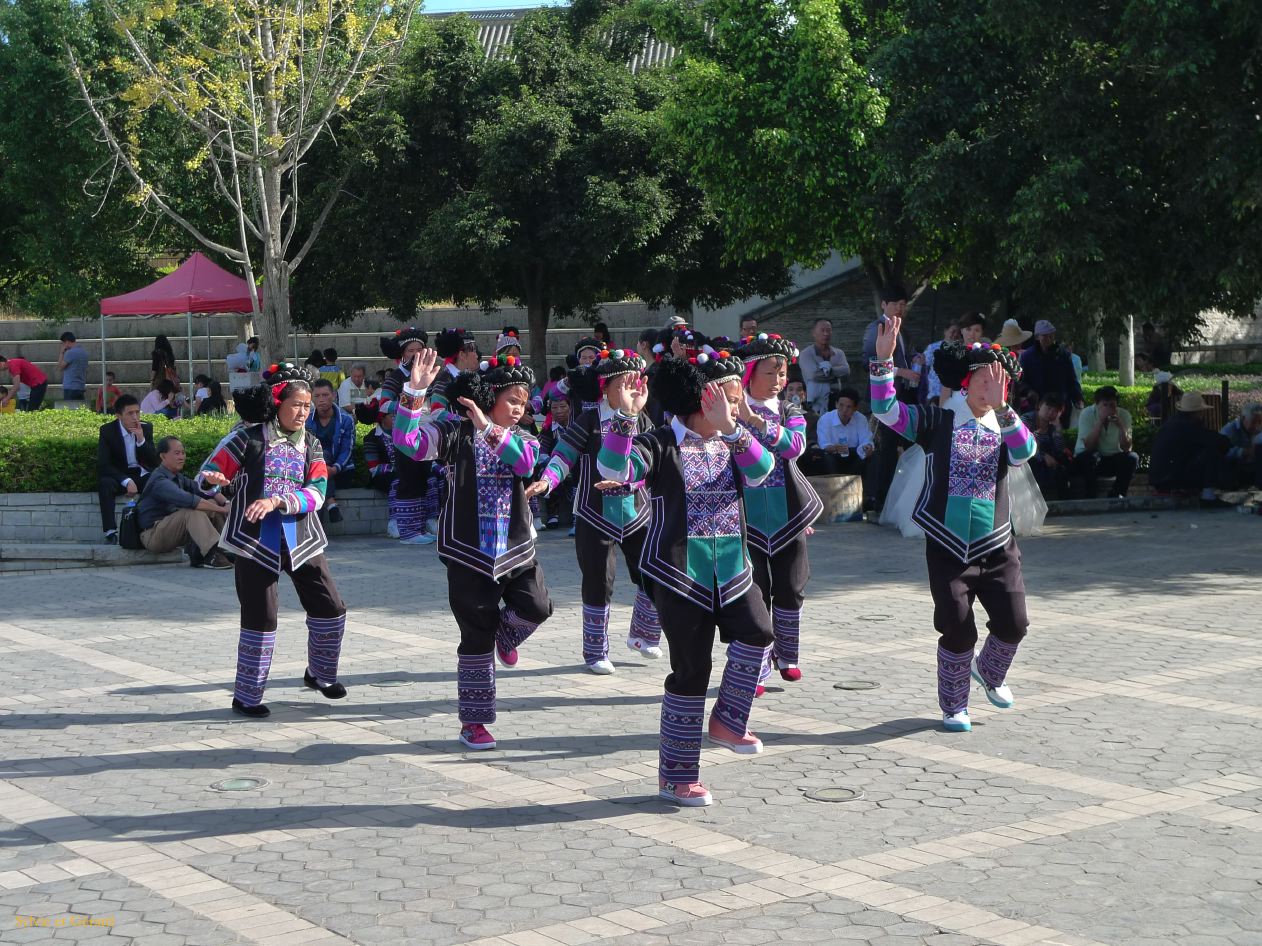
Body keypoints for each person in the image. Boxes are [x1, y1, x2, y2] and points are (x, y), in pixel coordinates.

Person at [597, 352, 776, 808]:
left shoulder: (732, 442)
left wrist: (736, 429)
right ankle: (676, 778)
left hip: (734, 571)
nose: (736, 409)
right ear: (705, 399)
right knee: (691, 672)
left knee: (759, 632)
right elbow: (614, 470)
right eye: (731, 401)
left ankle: (728, 722)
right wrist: (624, 418)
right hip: (679, 577)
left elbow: (763, 471)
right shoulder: (659, 443)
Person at [871, 326, 1037, 733]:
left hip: (997, 543)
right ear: (966, 381)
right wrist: (884, 360)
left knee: (1015, 622)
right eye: (983, 379)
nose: (990, 387)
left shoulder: (1005, 426)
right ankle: (953, 705)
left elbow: (1026, 451)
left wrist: (1004, 411)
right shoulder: (937, 419)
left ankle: (990, 671)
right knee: (957, 626)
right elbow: (887, 410)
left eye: (998, 381)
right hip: (947, 545)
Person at [393, 348, 553, 751]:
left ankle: (506, 638)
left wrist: (489, 428)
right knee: (475, 638)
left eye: (524, 402)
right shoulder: (453, 433)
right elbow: (408, 442)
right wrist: (414, 392)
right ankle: (474, 723)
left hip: (516, 548)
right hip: (467, 553)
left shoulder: (525, 439)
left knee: (537, 607)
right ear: (489, 399)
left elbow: (524, 467)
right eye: (512, 401)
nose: (520, 408)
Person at [199, 363, 348, 718]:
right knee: (261, 616)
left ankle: (320, 674)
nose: (303, 412)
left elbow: (317, 492)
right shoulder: (245, 439)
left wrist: (281, 501)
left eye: (308, 405)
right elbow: (203, 479)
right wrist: (212, 481)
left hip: (302, 536)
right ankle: (247, 696)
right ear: (277, 402)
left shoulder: (311, 444)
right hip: (253, 541)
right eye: (297, 404)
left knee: (332, 607)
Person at [528, 349, 662, 674]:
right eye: (623, 384)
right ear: (606, 387)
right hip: (594, 513)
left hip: (637, 512)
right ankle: (595, 652)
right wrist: (548, 480)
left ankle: (644, 635)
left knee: (654, 571)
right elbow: (563, 454)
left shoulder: (643, 419)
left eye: (636, 383)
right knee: (598, 582)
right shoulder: (589, 420)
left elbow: (656, 458)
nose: (631, 390)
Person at [734, 334, 822, 695]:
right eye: (771, 373)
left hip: (788, 516)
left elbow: (795, 447)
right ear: (750, 373)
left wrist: (755, 420)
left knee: (791, 585)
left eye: (782, 373)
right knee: (755, 592)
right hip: (744, 517)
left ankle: (787, 655)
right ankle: (757, 667)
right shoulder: (730, 410)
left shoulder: (790, 410)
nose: (778, 380)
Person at [862, 285, 922, 510]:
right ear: (884, 305)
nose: (900, 308)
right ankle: (880, 501)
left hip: (906, 394)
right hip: (883, 396)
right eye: (896, 303)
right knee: (885, 449)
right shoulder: (875, 328)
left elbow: (908, 354)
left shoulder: (903, 330)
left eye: (903, 304)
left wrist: (917, 357)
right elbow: (867, 362)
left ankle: (901, 499)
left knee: (908, 445)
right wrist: (900, 371)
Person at [380, 326, 439, 544]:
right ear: (403, 354)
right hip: (405, 432)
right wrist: (410, 402)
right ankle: (408, 531)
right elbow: (384, 404)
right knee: (409, 479)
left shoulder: (432, 374)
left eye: (419, 349)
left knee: (425, 478)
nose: (415, 354)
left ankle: (421, 526)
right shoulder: (397, 377)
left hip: (427, 432)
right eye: (410, 350)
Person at [138, 436, 232, 568]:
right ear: (163, 456)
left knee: (212, 503)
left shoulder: (178, 477)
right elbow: (190, 501)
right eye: (177, 453)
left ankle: (223, 548)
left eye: (183, 453)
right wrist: (224, 510)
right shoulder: (159, 481)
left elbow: (203, 490)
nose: (182, 457)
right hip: (153, 534)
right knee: (191, 512)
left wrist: (225, 503)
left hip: (171, 529)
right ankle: (212, 555)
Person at [1148, 392, 1231, 505]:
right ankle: (1208, 497)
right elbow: (1221, 442)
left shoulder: (1171, 424)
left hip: (1161, 479)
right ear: (1198, 412)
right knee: (1211, 451)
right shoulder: (1188, 426)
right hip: (1171, 480)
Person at [97, 394, 159, 543]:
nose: (135, 417)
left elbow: (154, 461)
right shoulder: (107, 431)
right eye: (130, 413)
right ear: (119, 416)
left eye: (137, 412)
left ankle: (151, 525)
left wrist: (141, 440)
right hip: (119, 475)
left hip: (140, 473)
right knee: (105, 484)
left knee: (156, 481)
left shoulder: (146, 427)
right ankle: (110, 531)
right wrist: (126, 481)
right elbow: (104, 464)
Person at [1073, 386, 1138, 498]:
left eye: (1112, 405)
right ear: (1097, 405)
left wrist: (1121, 427)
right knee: (1090, 458)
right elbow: (1089, 446)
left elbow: (1126, 448)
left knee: (1132, 458)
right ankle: (1091, 496)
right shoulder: (1087, 414)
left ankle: (1117, 494)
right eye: (1105, 405)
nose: (1108, 408)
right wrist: (1100, 421)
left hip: (1112, 458)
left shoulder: (1124, 415)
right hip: (1089, 459)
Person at [306, 378, 356, 524]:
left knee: (320, 465)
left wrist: (335, 468)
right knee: (318, 462)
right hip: (315, 468)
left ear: (333, 395)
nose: (321, 400)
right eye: (317, 396)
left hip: (342, 470)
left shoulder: (346, 419)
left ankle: (317, 526)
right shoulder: (307, 420)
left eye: (325, 395)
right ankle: (331, 503)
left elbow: (347, 449)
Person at [1019, 321, 1083, 424]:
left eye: (1051, 336)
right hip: (1037, 405)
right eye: (1045, 336)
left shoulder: (1063, 355)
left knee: (1059, 435)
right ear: (1037, 337)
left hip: (1059, 406)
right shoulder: (1027, 356)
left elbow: (1071, 379)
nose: (1048, 339)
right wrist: (1029, 392)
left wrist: (1078, 398)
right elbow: (1021, 380)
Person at [816, 386, 875, 476]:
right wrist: (834, 448)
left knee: (870, 458)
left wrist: (867, 447)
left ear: (855, 408)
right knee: (827, 458)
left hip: (854, 454)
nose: (844, 410)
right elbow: (824, 444)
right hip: (833, 455)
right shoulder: (825, 419)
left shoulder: (861, 419)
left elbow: (866, 440)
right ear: (836, 404)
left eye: (849, 407)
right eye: (841, 405)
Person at [358, 397, 398, 529]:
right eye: (392, 415)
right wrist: (398, 468)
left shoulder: (401, 434)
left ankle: (428, 520)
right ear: (382, 418)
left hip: (401, 472)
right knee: (397, 482)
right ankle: (394, 523)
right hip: (382, 476)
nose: (396, 418)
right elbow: (374, 468)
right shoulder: (371, 438)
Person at [1023, 393, 1072, 499]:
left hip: (1049, 461)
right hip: (1029, 458)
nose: (1050, 413)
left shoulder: (1053, 425)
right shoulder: (1027, 419)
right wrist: (1043, 455)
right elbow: (1024, 444)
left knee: (1064, 461)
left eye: (1055, 411)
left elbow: (1060, 449)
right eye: (1048, 408)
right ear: (1040, 405)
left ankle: (1064, 498)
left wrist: (1058, 429)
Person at [798, 318, 851, 414]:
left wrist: (829, 371)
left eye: (828, 330)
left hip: (837, 400)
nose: (826, 333)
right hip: (815, 402)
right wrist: (836, 375)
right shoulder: (806, 354)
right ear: (813, 333)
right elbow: (813, 375)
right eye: (822, 330)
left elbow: (847, 372)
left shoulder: (838, 353)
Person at [1221, 403, 1262, 489]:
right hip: (1235, 471)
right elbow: (1221, 453)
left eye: (1260, 422)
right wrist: (1244, 451)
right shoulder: (1229, 430)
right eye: (1254, 422)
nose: (1257, 426)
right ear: (1243, 418)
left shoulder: (1258, 430)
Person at [923, 321, 963, 406]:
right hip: (934, 394)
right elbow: (924, 366)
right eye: (952, 331)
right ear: (945, 331)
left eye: (958, 332)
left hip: (952, 396)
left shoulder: (961, 350)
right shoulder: (933, 347)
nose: (955, 335)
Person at [58, 332, 89, 403]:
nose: (63, 345)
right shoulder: (84, 353)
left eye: (63, 343)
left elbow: (60, 367)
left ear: (67, 342)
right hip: (81, 386)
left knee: (69, 411)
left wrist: (61, 353)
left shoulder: (69, 353)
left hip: (70, 387)